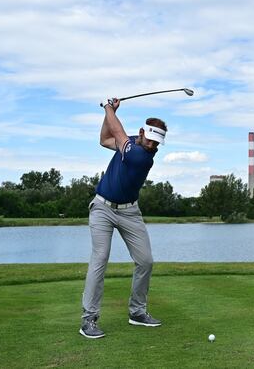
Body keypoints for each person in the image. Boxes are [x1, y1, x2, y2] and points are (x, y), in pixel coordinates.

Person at [80, 97, 167, 339]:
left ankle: (137, 312)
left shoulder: (142, 156)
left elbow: (116, 131)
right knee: (100, 258)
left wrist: (109, 108)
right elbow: (105, 139)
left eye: (157, 142)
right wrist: (107, 115)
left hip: (130, 212)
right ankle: (89, 319)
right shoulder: (129, 142)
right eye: (151, 139)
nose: (153, 145)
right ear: (142, 132)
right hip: (102, 208)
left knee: (146, 260)